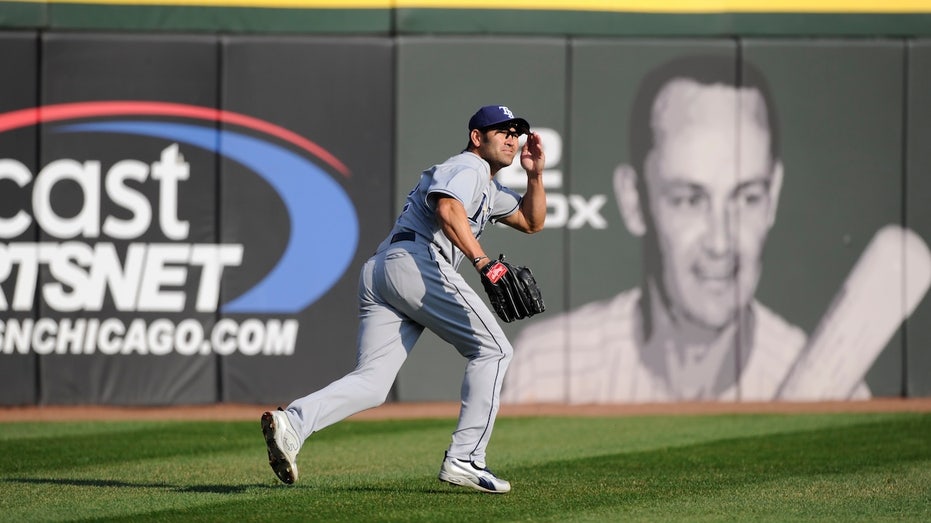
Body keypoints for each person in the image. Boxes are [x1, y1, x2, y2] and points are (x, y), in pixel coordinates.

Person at [502, 56, 867, 404]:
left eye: (746, 198)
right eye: (690, 200)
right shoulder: (545, 367)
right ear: (634, 200)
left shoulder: (838, 389)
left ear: (773, 197)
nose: (720, 243)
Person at [261, 105, 546, 493]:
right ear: (477, 137)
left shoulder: (490, 187)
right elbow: (447, 207)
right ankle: (466, 458)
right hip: (416, 261)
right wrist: (482, 262)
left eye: (516, 131)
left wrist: (536, 176)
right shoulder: (468, 167)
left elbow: (532, 222)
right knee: (494, 351)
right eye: (501, 131)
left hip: (384, 269)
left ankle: (293, 422)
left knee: (373, 383)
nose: (512, 137)